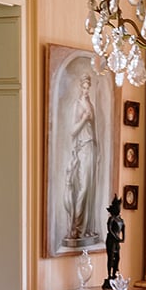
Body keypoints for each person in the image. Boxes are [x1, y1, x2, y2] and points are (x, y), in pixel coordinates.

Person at [63, 72, 97, 245]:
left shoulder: (90, 103)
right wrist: (84, 119)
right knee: (83, 188)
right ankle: (75, 228)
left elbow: (95, 129)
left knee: (90, 189)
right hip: (82, 147)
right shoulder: (78, 105)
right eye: (83, 87)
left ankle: (86, 228)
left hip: (91, 147)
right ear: (80, 87)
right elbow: (72, 131)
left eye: (88, 87)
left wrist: (98, 151)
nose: (85, 90)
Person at [103, 196, 125, 288]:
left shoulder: (120, 219)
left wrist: (123, 238)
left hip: (117, 242)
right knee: (111, 257)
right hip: (111, 241)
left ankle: (115, 272)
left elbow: (123, 229)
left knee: (118, 257)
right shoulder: (111, 219)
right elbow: (110, 229)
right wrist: (116, 237)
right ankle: (109, 275)